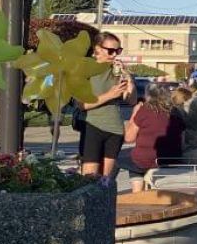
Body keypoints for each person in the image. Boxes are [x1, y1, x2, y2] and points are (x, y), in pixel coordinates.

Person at [79, 32, 132, 178]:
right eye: (111, 51)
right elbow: (82, 104)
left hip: (115, 129)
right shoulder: (85, 70)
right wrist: (110, 95)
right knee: (89, 178)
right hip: (93, 126)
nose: (115, 55)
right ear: (98, 49)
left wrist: (127, 77)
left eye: (118, 51)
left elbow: (131, 100)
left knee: (106, 180)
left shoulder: (116, 70)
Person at [120, 84, 184, 193]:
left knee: (118, 158)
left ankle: (109, 186)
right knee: (136, 156)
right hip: (172, 158)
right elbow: (182, 140)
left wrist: (134, 114)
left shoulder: (144, 110)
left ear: (148, 96)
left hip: (146, 159)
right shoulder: (176, 112)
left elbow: (129, 138)